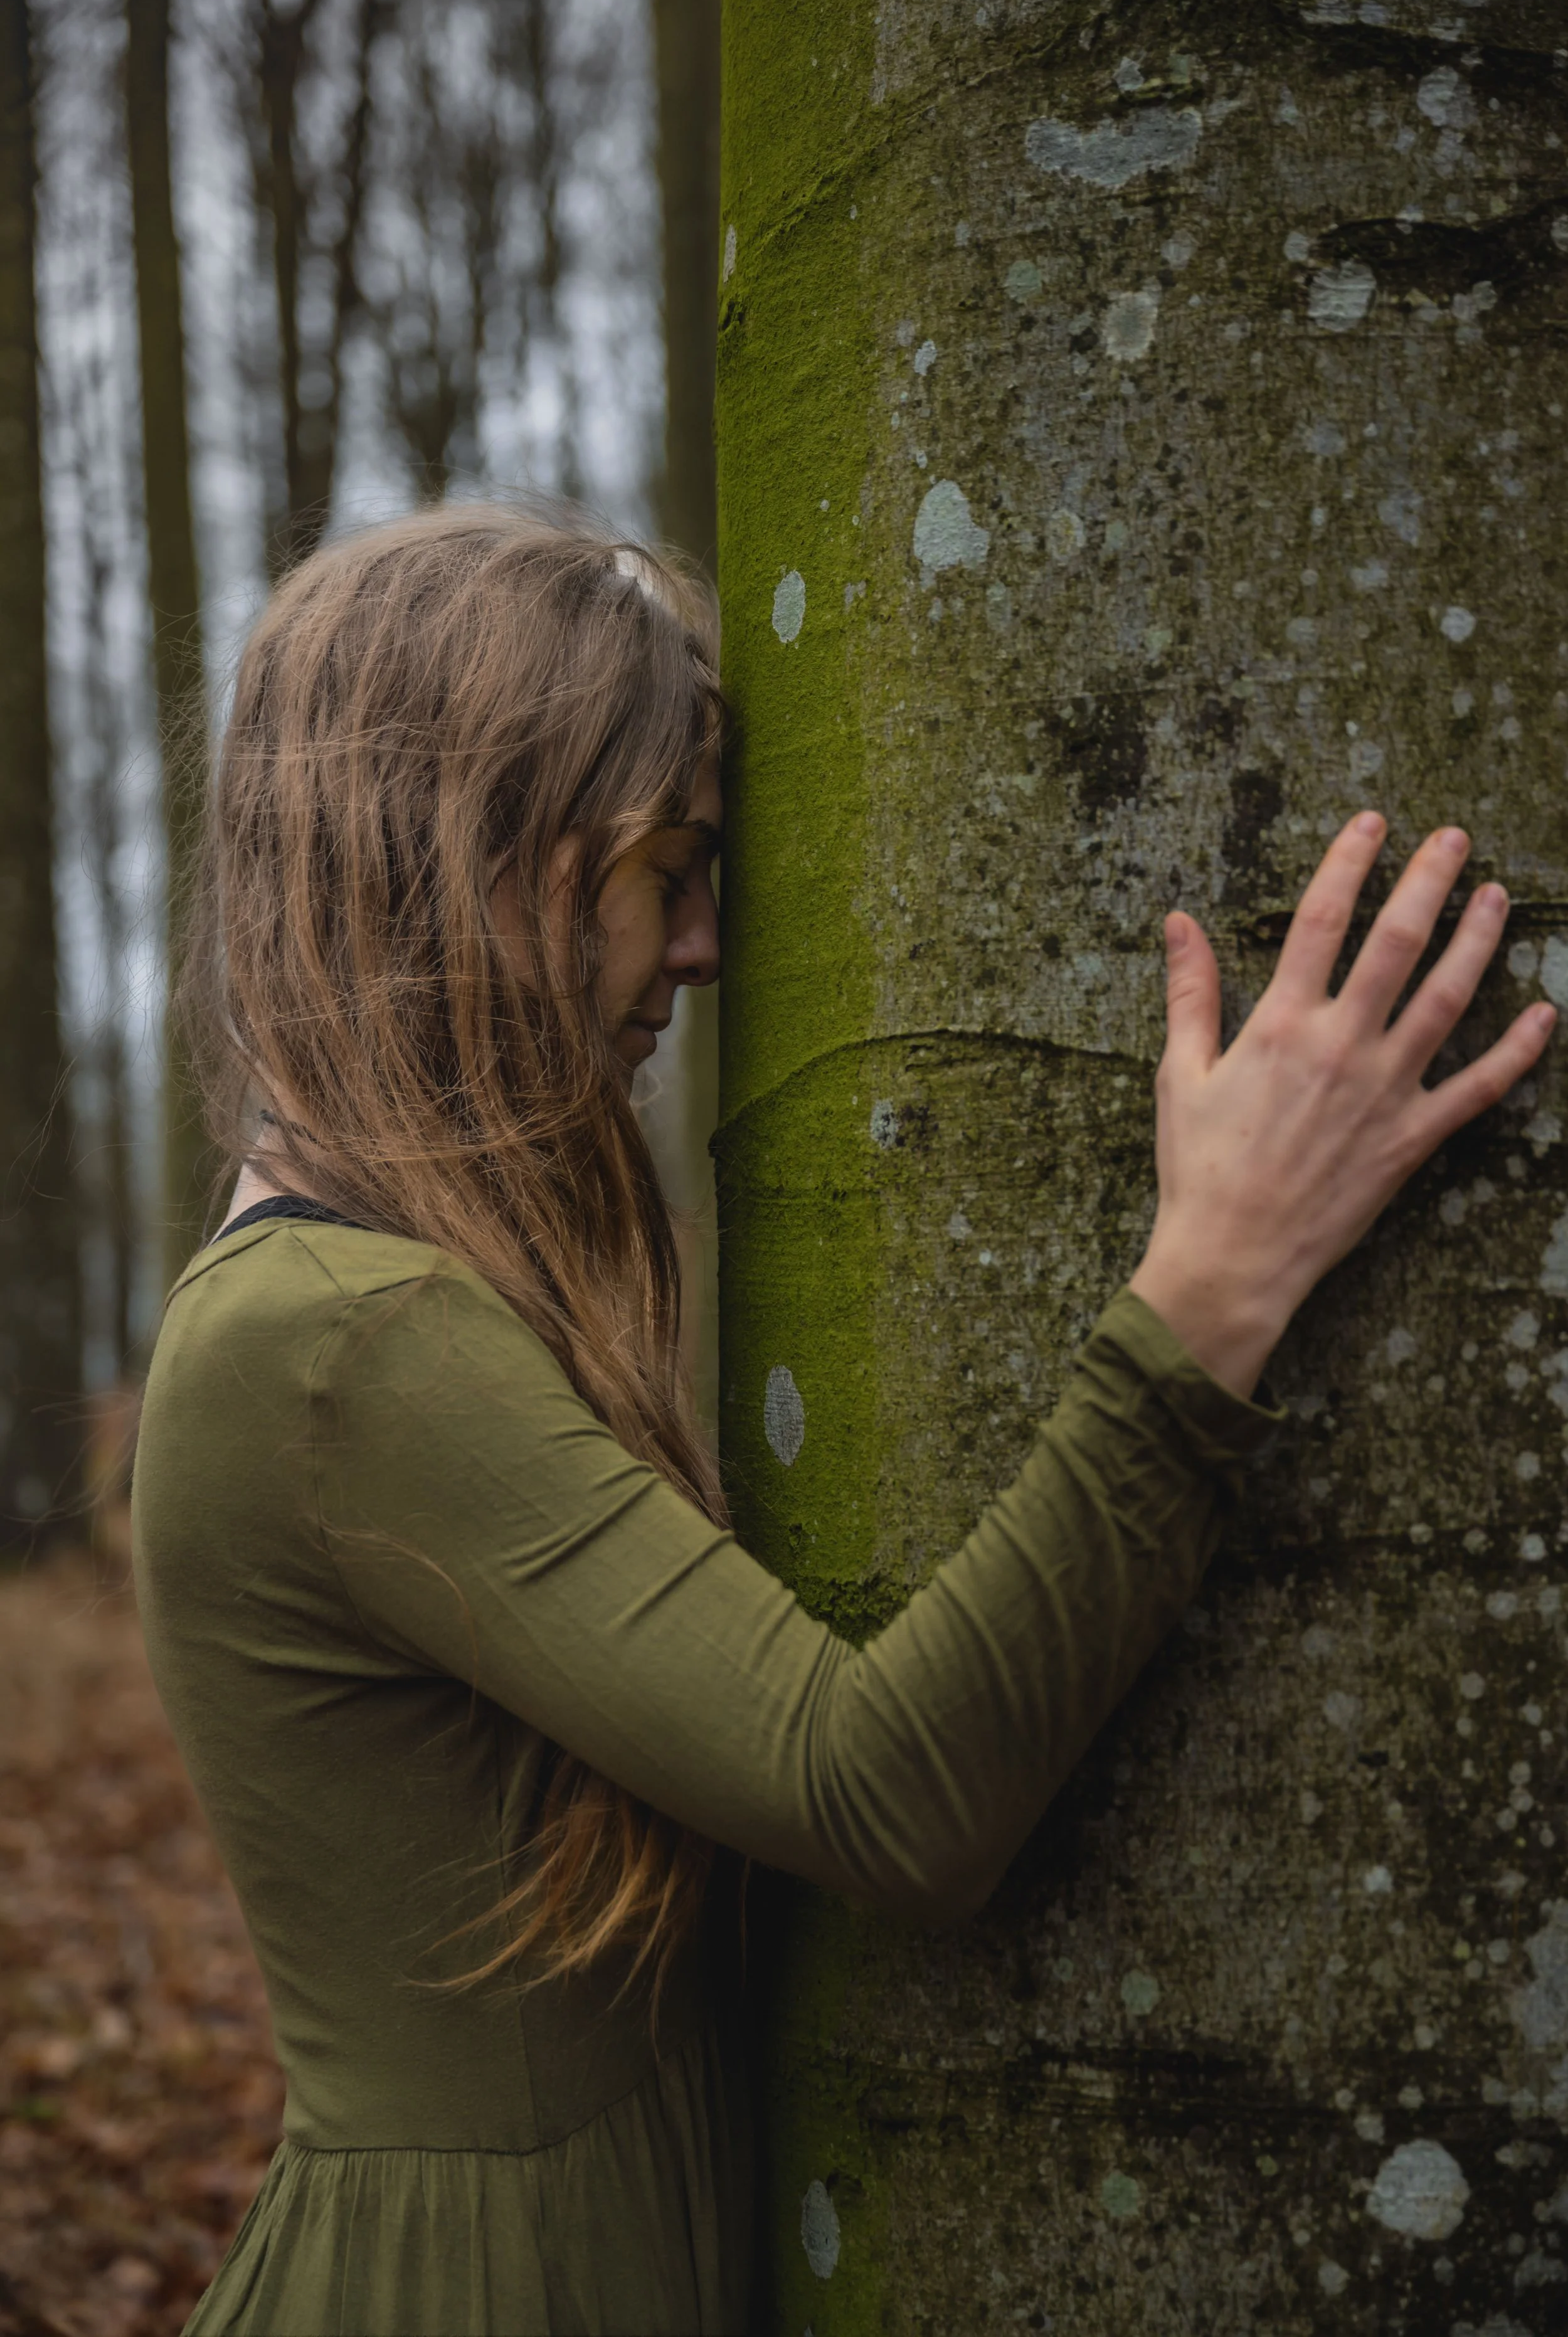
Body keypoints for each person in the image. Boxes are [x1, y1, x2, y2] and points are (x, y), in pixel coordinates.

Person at [130, 501, 1555, 2337]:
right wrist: (1212, 1281)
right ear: (480, 859)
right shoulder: (335, 1341)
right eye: (669, 862)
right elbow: (879, 1790)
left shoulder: (362, 1300)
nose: (708, 946)